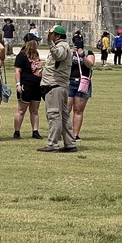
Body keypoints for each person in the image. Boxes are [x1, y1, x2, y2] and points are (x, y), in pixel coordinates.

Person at [38, 25, 76, 153]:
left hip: (55, 86)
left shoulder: (61, 47)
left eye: (52, 35)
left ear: (57, 36)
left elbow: (58, 55)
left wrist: (49, 42)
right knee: (64, 117)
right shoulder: (64, 46)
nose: (50, 37)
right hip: (60, 86)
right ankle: (70, 143)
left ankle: (52, 144)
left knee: (54, 115)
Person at [13, 38, 43, 139]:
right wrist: (18, 84)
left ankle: (35, 131)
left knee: (34, 110)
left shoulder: (36, 54)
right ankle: (17, 131)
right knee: (21, 110)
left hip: (36, 85)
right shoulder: (21, 55)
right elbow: (18, 71)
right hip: (26, 85)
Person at [68, 47, 95, 141]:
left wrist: (82, 55)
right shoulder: (69, 52)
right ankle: (63, 133)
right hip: (69, 82)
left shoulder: (88, 53)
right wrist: (70, 53)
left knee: (78, 110)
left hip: (83, 83)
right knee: (65, 110)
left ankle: (75, 134)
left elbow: (90, 64)